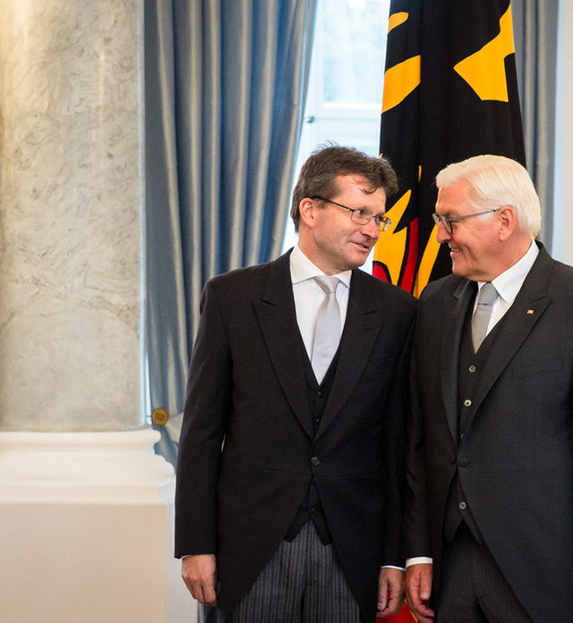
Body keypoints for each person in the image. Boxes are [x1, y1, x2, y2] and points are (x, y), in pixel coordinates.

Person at [174, 145, 417, 622]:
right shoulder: (233, 298)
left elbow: (397, 445)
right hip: (249, 550)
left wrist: (394, 554)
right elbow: (202, 431)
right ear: (311, 209)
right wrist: (195, 544)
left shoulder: (397, 311)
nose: (372, 230)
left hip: (352, 551)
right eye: (359, 212)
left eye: (379, 219)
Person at [403, 155, 573, 623]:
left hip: (545, 572)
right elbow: (419, 440)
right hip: (448, 570)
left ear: (504, 221)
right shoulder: (435, 303)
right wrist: (418, 553)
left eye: (450, 221)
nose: (439, 236)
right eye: (438, 220)